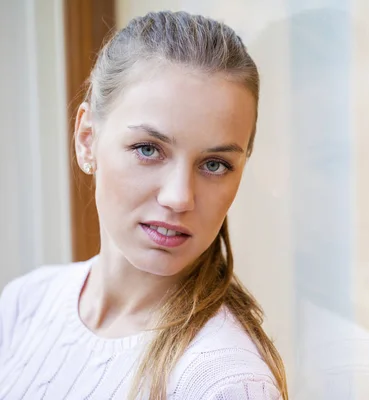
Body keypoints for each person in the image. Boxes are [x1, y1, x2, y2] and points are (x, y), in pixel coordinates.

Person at [0, 11, 287, 400]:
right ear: (87, 139)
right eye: (148, 149)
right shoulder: (25, 304)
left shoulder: (224, 382)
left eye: (215, 164)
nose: (179, 197)